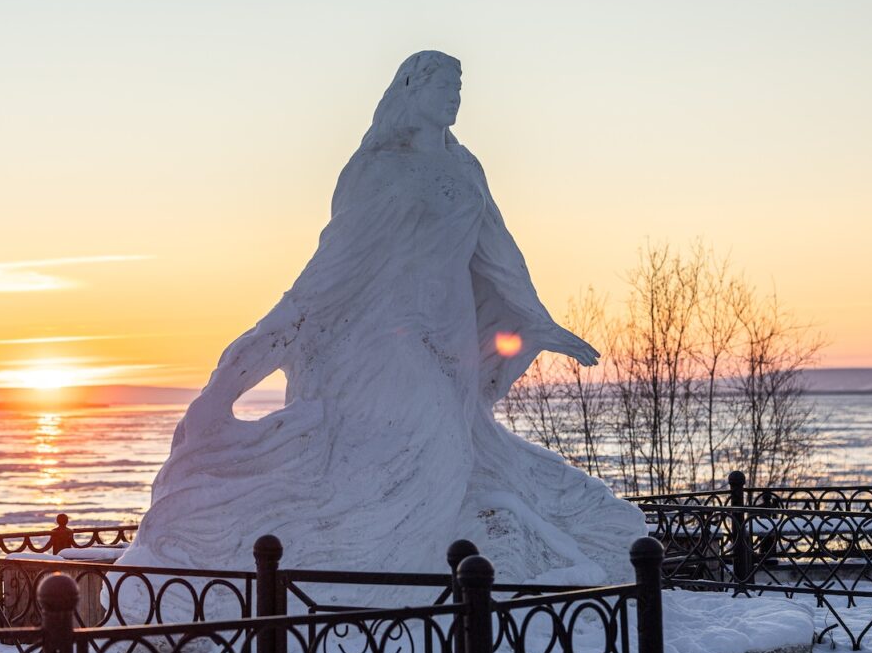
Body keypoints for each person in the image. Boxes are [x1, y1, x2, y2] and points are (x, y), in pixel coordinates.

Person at [117, 52, 644, 600]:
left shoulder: (466, 166)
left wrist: (538, 320)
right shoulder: (379, 170)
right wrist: (234, 377)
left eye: (459, 87)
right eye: (443, 85)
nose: (454, 97)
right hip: (388, 343)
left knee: (472, 455)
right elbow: (327, 274)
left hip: (451, 341)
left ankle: (474, 567)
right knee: (431, 463)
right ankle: (371, 593)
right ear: (410, 88)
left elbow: (497, 249)